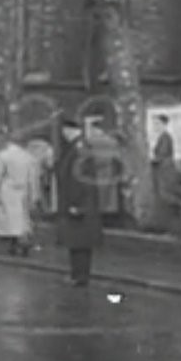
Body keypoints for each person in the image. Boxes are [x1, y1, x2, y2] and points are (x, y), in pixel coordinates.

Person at [54, 115, 101, 287]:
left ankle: (80, 276)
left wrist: (77, 204)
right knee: (76, 242)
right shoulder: (77, 148)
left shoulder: (79, 149)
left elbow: (80, 179)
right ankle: (77, 273)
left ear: (69, 130)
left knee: (79, 242)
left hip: (80, 204)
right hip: (79, 203)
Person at [0, 134, 41, 257]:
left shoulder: (4, 156)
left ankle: (14, 244)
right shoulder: (29, 158)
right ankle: (23, 242)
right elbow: (33, 179)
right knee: (23, 218)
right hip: (23, 191)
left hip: (8, 191)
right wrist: (35, 196)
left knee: (10, 220)